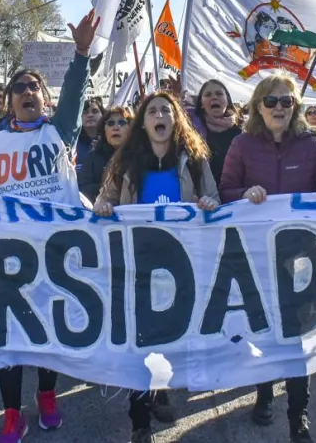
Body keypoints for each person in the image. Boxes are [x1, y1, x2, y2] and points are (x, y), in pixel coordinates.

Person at [0, 10, 99, 443]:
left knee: (48, 329)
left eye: (33, 87)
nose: (26, 92)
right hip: (8, 254)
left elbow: (77, 92)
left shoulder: (61, 132)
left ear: (45, 98)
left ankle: (46, 394)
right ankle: (11, 412)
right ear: (7, 100)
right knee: (8, 334)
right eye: (17, 88)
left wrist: (81, 53)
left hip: (57, 254)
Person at [218, 73, 316, 443]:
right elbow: (225, 191)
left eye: (287, 101)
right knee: (265, 331)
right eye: (271, 101)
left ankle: (298, 414)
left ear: (296, 106)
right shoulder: (241, 144)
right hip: (257, 256)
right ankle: (264, 392)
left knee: (296, 336)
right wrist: (244, 192)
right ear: (258, 106)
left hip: (302, 256)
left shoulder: (312, 142)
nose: (279, 108)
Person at [94, 92, 219, 443]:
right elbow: (107, 196)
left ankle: (160, 389)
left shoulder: (194, 160)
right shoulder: (127, 160)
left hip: (180, 267)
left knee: (167, 338)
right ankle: (140, 422)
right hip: (137, 266)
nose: (160, 114)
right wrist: (104, 205)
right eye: (152, 111)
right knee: (138, 343)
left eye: (166, 109)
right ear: (143, 122)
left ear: (176, 119)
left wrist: (208, 203)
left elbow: (214, 200)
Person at [188, 79, 243, 186]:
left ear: (227, 101)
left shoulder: (240, 134)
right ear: (201, 104)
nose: (214, 97)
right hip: (204, 197)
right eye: (208, 95)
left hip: (233, 196)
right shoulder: (193, 132)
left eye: (219, 94)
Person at [78, 106, 132, 203]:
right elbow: (83, 189)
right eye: (110, 123)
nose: (116, 127)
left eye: (122, 122)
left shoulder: (141, 156)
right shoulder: (92, 158)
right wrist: (111, 188)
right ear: (104, 130)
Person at [76, 97, 104, 171]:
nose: (90, 115)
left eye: (95, 111)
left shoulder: (111, 142)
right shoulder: (73, 144)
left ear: (103, 114)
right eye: (85, 112)